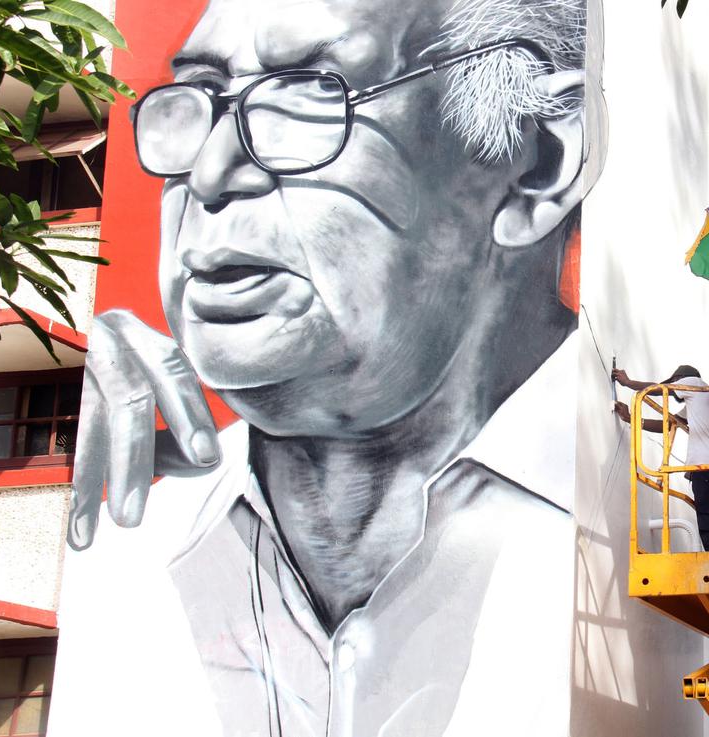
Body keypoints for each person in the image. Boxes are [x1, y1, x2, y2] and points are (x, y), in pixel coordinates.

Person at [57, 1, 605, 736]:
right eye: (198, 98)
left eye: (309, 94)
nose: (212, 173)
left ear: (536, 164)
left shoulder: (681, 531)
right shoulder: (134, 548)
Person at [611, 365, 709, 551]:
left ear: (680, 379)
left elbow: (660, 389)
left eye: (674, 382)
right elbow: (668, 424)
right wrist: (631, 418)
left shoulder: (694, 383)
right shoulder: (700, 405)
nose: (672, 386)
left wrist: (629, 383)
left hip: (708, 471)